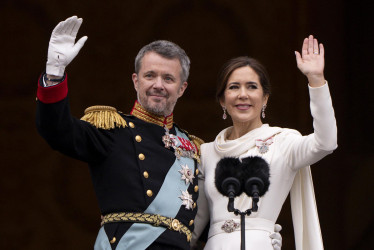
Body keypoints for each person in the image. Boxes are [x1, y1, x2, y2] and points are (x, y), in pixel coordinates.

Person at [36, 16, 283, 250]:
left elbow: (208, 222)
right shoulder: (112, 129)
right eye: (150, 76)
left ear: (182, 88)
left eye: (168, 78)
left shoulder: (195, 148)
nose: (158, 85)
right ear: (135, 81)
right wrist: (54, 73)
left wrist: (252, 235)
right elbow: (57, 131)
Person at [191, 35, 337, 249]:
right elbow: (196, 222)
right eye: (233, 87)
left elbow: (326, 143)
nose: (243, 94)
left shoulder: (283, 142)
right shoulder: (205, 152)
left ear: (265, 97)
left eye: (251, 87)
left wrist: (316, 80)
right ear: (222, 100)